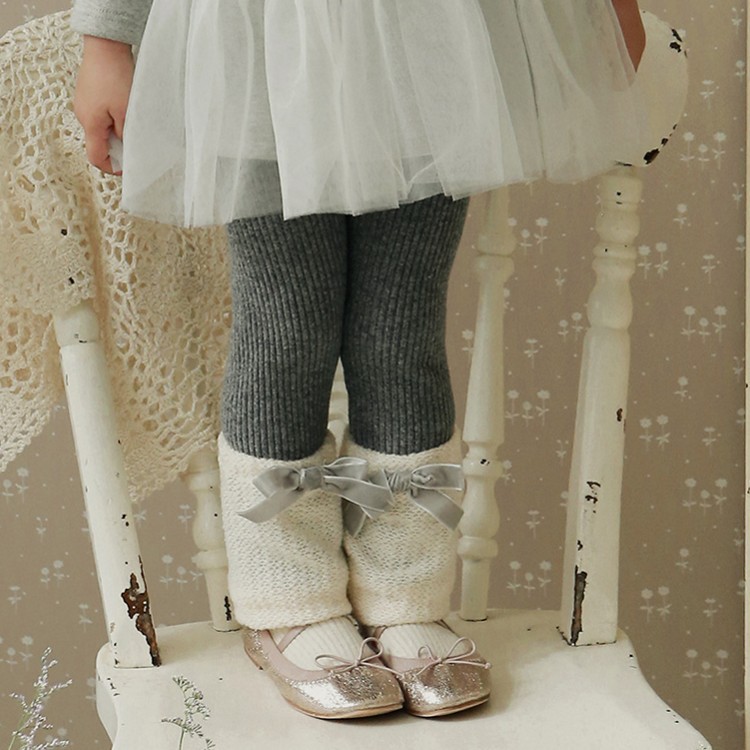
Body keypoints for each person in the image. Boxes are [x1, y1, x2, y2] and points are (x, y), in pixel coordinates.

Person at [71, 0, 646, 720]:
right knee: (286, 329)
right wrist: (106, 42)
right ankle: (288, 599)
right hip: (261, 41)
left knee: (402, 328)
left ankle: (405, 593)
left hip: (431, 35)